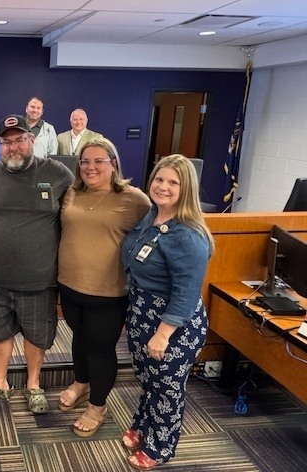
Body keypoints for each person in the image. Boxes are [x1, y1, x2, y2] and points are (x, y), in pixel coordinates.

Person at [0, 114, 74, 414]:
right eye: (7, 142)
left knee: (36, 334)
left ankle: (33, 384)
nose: (13, 147)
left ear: (32, 140)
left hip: (38, 279)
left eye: (19, 140)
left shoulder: (56, 173)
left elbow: (79, 210)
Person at [120, 154, 213, 470]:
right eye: (160, 179)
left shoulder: (188, 235)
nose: (163, 186)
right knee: (149, 379)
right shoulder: (151, 216)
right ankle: (144, 424)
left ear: (186, 189)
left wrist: (162, 335)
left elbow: (186, 294)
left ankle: (161, 446)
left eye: (174, 182)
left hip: (173, 325)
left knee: (167, 388)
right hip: (143, 311)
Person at [57, 137, 151, 438]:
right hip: (69, 285)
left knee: (100, 348)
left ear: (113, 164)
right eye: (85, 161)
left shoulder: (134, 199)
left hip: (108, 292)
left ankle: (98, 406)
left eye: (99, 161)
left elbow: (160, 230)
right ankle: (81, 383)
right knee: (79, 338)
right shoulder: (71, 192)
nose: (91, 167)